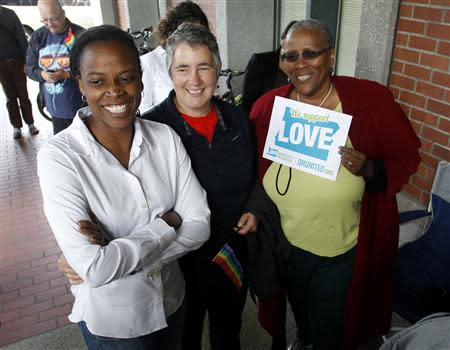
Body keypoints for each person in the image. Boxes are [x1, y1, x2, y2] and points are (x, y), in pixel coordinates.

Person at [249, 19, 421, 350]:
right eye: (290, 56)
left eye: (310, 53)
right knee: (300, 313)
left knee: (329, 326)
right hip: (286, 245)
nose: (299, 65)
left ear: (331, 57)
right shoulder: (268, 107)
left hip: (339, 249)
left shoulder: (370, 100)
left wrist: (371, 168)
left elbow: (407, 156)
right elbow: (249, 167)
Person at [37, 24, 210, 350]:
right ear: (81, 85)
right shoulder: (60, 158)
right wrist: (167, 224)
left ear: (141, 81)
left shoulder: (165, 138)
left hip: (172, 301)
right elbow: (95, 268)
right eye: (97, 81)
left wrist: (120, 254)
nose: (114, 91)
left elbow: (200, 224)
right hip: (115, 325)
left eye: (126, 77)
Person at [143, 23, 266, 350]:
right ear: (170, 72)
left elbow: (256, 174)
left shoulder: (237, 118)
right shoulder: (151, 128)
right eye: (183, 68)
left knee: (229, 330)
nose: (194, 80)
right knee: (185, 336)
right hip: (178, 260)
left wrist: (255, 208)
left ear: (217, 70)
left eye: (204, 67)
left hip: (231, 252)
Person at [139, 1, 209, 113]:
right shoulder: (149, 62)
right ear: (171, 31)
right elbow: (142, 110)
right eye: (185, 33)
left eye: (198, 34)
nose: (192, 39)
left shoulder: (203, 61)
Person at [26, 0, 84, 134]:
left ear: (63, 14)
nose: (50, 24)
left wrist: (67, 75)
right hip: (55, 111)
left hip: (80, 108)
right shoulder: (38, 37)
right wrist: (42, 75)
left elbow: (92, 70)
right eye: (45, 20)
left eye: (54, 19)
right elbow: (29, 67)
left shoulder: (79, 35)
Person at [241, 20, 296, 115]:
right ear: (282, 40)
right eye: (291, 41)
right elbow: (248, 102)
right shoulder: (260, 62)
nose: (293, 47)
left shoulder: (303, 66)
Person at [0, 6, 39, 139]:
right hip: (1, 65)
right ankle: (16, 126)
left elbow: (22, 37)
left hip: (17, 61)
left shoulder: (9, 14)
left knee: (23, 94)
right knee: (10, 97)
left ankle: (30, 123)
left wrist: (28, 62)